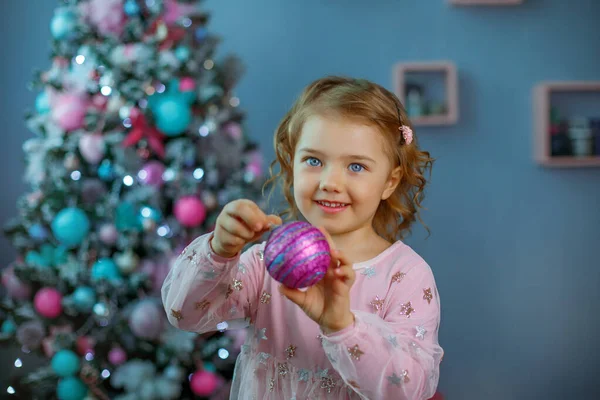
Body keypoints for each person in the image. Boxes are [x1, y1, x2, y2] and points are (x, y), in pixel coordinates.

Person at [162, 76, 443, 399]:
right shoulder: (265, 263)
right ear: (292, 163)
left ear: (389, 182)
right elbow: (186, 314)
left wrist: (342, 326)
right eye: (313, 161)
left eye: (355, 166)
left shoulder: (405, 276)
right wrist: (220, 251)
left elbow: (409, 390)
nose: (330, 182)